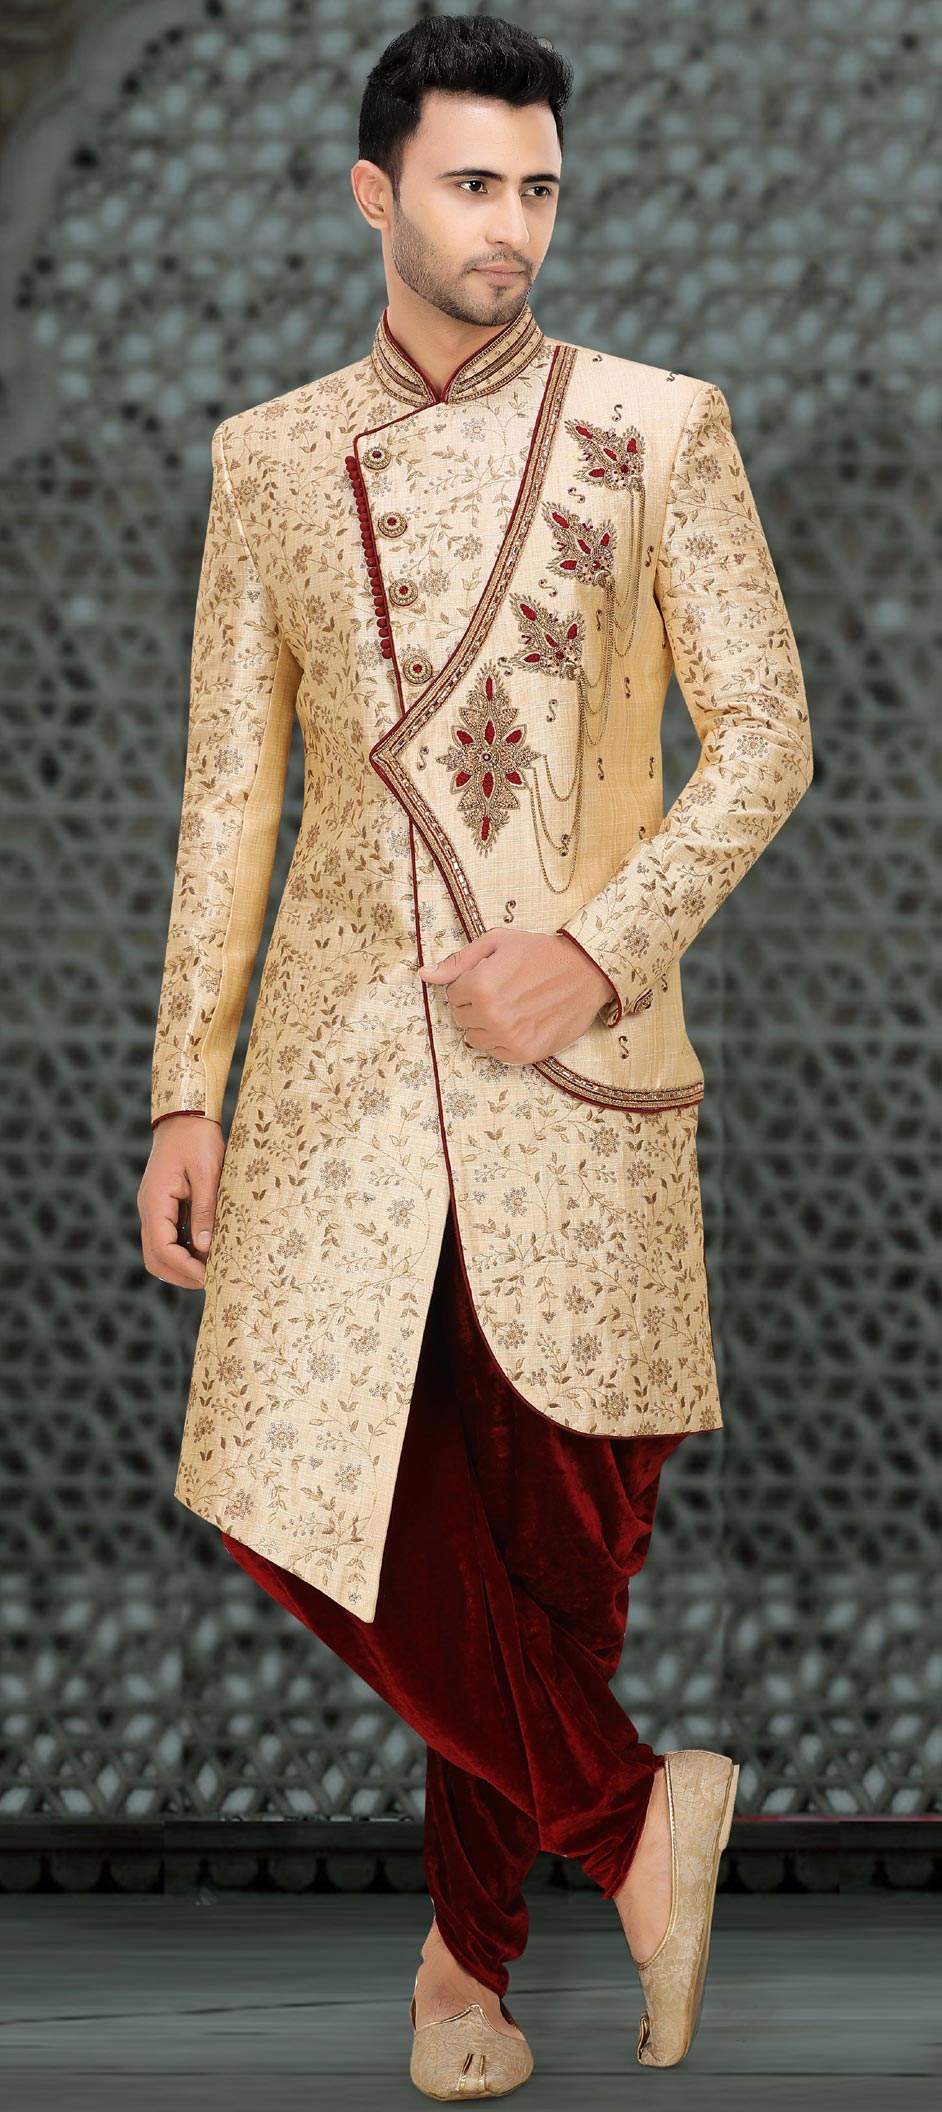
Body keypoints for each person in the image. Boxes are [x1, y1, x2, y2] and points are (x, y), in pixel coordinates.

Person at [139, 15, 810, 2090]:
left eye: (535, 188)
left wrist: (593, 957)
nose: (509, 223)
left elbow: (766, 736)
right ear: (377, 195)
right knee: (282, 1493)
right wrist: (185, 1088)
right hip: (337, 1072)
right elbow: (229, 798)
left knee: (543, 1554)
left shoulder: (658, 425)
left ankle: (465, 1969)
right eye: (469, 184)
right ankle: (632, 1818)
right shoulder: (269, 458)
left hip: (577, 1074)